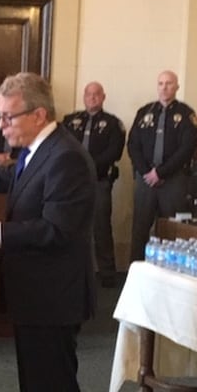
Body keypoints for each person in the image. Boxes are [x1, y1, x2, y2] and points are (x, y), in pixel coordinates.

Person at [0, 72, 96, 392]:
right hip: (34, 294)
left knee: (53, 383)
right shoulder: (36, 149)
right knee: (35, 381)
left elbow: (56, 230)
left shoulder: (66, 157)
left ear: (38, 115)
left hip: (53, 297)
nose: (1, 125)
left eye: (8, 117)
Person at [127, 70, 197, 262]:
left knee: (172, 231)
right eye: (160, 83)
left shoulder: (186, 114)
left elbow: (187, 149)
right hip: (146, 179)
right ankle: (136, 271)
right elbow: (133, 145)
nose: (164, 87)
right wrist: (146, 172)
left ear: (177, 87)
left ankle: (171, 271)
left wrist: (161, 173)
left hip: (173, 180)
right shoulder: (145, 112)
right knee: (140, 229)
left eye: (169, 83)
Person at [62, 81, 125, 287]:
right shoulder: (70, 121)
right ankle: (70, 270)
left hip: (99, 181)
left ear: (103, 97)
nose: (92, 97)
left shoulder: (113, 124)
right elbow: (61, 146)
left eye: (96, 94)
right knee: (69, 225)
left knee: (101, 228)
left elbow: (114, 152)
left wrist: (87, 166)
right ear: (84, 96)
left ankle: (107, 274)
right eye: (88, 94)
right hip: (71, 183)